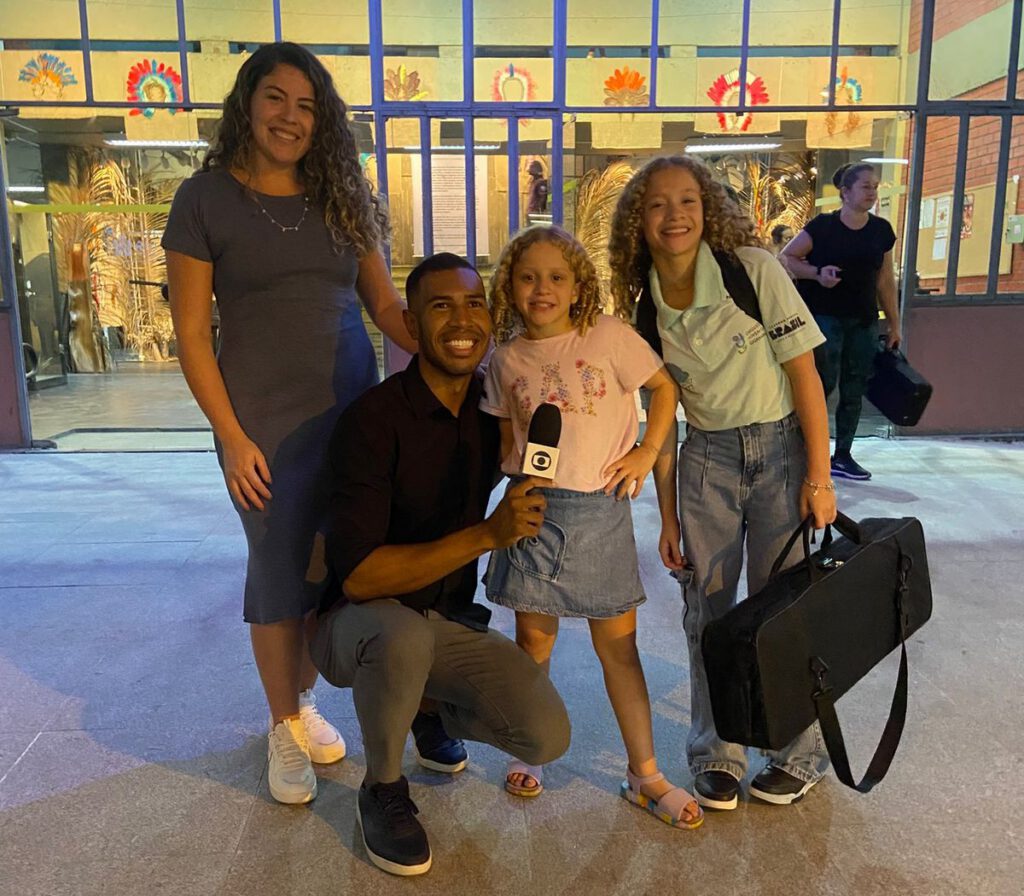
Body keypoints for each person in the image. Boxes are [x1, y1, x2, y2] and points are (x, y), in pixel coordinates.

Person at [163, 42, 418, 806]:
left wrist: (463, 345)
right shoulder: (203, 199)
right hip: (261, 424)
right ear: (247, 101)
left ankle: (301, 703)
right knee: (278, 566)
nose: (290, 117)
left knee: (325, 567)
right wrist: (231, 435)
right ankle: (282, 724)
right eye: (276, 97)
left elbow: (384, 305)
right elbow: (191, 334)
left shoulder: (343, 195)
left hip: (349, 413)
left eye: (307, 106)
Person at [312, 252, 571, 877]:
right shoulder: (373, 421)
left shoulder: (490, 415)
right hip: (356, 624)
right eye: (440, 306)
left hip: (443, 620)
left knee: (545, 735)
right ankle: (382, 789)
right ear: (410, 323)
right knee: (400, 635)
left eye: (474, 304)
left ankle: (424, 708)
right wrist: (486, 535)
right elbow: (360, 577)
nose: (461, 320)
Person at [608, 155, 837, 810]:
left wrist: (820, 476)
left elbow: (805, 376)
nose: (674, 215)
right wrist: (668, 516)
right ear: (639, 221)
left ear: (707, 209)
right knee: (707, 611)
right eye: (657, 204)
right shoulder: (646, 306)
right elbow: (663, 415)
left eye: (687, 200)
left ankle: (798, 752)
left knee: (780, 607)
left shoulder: (753, 270)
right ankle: (717, 752)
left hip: (780, 451)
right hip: (706, 459)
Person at [481, 224, 702, 831]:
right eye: (528, 277)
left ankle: (645, 774)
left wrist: (646, 450)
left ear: (579, 286)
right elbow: (503, 436)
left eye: (557, 277)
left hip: (601, 511)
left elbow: (664, 388)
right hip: (535, 511)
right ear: (510, 287)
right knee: (534, 644)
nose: (542, 289)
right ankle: (532, 748)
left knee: (619, 649)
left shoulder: (607, 335)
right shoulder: (505, 358)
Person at [781, 163, 901, 481]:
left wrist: (894, 324)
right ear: (845, 192)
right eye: (865, 186)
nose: (872, 192)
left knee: (854, 388)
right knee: (821, 385)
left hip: (863, 319)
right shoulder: (823, 226)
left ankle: (843, 455)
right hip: (825, 316)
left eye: (875, 186)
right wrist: (817, 274)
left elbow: (885, 281)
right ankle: (808, 452)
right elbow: (787, 258)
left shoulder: (881, 231)